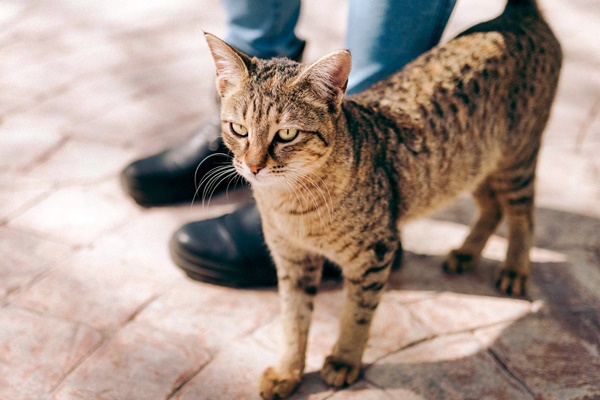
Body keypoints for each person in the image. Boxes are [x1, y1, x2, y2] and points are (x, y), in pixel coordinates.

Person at [121, 0, 457, 287]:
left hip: (353, 187)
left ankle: (358, 218)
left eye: (282, 135)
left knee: (371, 86)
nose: (254, 161)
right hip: (263, 105)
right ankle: (247, 117)